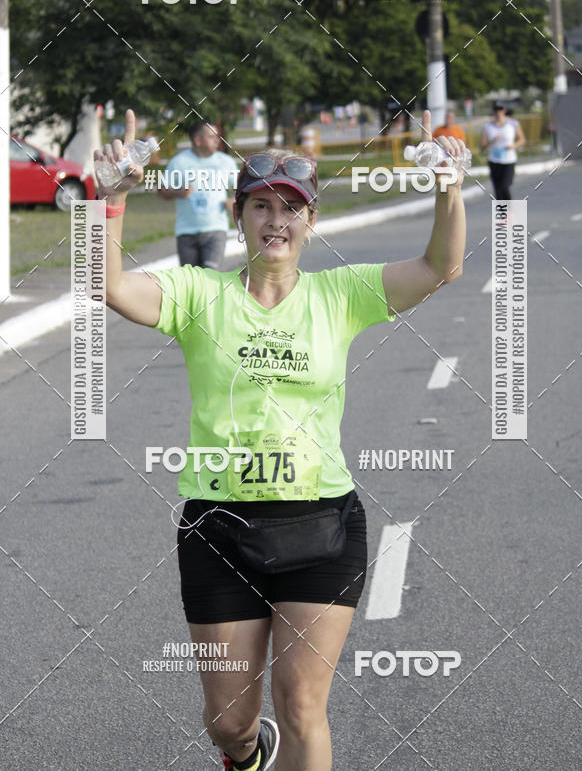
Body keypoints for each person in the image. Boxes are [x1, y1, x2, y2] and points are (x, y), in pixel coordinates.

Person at [98, 108, 466, 771]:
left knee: (302, 705)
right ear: (237, 214)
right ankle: (246, 753)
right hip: (219, 528)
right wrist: (113, 201)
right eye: (262, 206)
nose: (277, 221)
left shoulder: (341, 294)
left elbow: (442, 264)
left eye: (291, 209)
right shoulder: (197, 294)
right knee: (228, 723)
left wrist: (448, 190)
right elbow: (113, 287)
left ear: (311, 222)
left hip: (321, 524)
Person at [159, 120, 238, 269]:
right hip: (186, 232)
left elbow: (242, 189)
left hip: (216, 230)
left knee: (210, 275)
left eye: (217, 136)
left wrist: (234, 201)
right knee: (191, 282)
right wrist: (178, 193)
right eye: (212, 137)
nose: (217, 140)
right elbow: (162, 190)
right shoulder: (179, 163)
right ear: (198, 140)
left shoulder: (226, 162)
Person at [481, 100, 526, 200]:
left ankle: (510, 211)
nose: (498, 112)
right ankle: (502, 215)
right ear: (493, 111)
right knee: (497, 190)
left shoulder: (513, 123)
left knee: (505, 186)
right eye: (496, 109)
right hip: (494, 161)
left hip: (508, 160)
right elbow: (482, 146)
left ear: (504, 110)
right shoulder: (487, 126)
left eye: (500, 109)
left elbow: (522, 140)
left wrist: (513, 146)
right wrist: (492, 141)